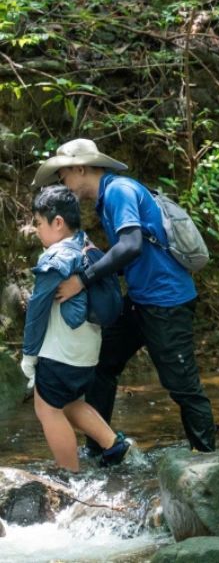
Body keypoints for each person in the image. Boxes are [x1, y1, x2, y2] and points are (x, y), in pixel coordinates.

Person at [33, 138, 217, 453]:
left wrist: (84, 279)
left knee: (182, 386)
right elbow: (129, 254)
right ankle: (101, 451)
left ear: (80, 168)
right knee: (103, 366)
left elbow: (131, 245)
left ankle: (207, 462)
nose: (64, 184)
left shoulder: (119, 191)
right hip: (142, 301)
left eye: (64, 176)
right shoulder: (110, 196)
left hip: (166, 303)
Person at [21, 186, 131, 471]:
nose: (37, 231)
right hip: (87, 353)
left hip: (60, 353)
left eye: (38, 223)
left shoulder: (55, 257)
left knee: (46, 409)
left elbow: (37, 310)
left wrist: (29, 356)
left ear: (57, 222)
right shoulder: (88, 247)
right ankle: (114, 445)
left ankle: (70, 477)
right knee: (68, 403)